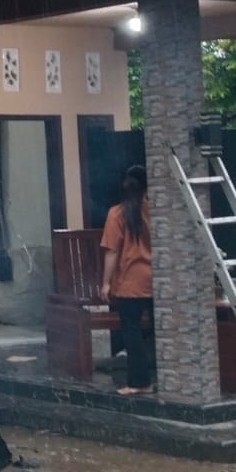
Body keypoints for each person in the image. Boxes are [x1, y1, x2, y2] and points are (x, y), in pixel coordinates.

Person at [100, 164, 154, 395]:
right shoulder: (154, 211)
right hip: (155, 279)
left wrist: (106, 283)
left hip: (130, 282)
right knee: (158, 330)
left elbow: (112, 251)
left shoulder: (116, 214)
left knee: (132, 332)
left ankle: (139, 382)